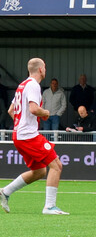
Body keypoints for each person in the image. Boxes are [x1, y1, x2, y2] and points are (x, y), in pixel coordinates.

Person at [0, 58, 68, 215]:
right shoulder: (33, 85)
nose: (45, 70)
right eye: (45, 67)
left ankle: (5, 192)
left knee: (39, 171)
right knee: (56, 165)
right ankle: (49, 206)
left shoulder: (22, 85)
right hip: (28, 136)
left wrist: (21, 124)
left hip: (20, 135)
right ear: (40, 70)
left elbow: (11, 110)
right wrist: (45, 113)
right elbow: (33, 109)